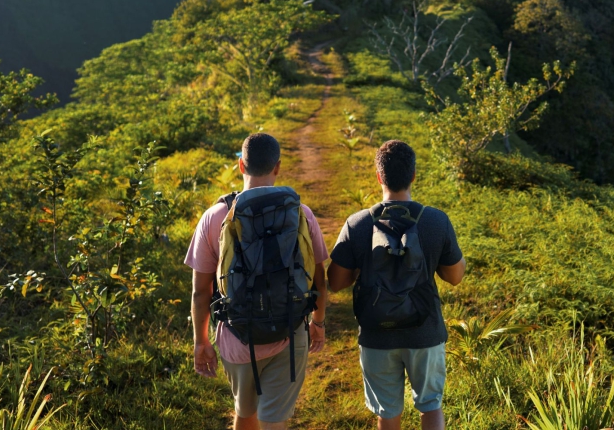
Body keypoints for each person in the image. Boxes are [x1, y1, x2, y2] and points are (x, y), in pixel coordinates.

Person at [185, 133, 329, 430]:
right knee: (272, 422)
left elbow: (201, 293)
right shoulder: (301, 214)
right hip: (290, 333)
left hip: (237, 338)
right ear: (277, 167)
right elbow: (320, 280)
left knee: (245, 412)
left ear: (241, 165)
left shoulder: (215, 217)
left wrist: (201, 342)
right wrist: (318, 322)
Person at [328, 140, 466, 430]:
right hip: (425, 331)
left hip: (377, 335)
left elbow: (336, 282)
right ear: (413, 175)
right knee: (430, 405)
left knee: (387, 411)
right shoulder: (436, 221)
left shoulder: (357, 224)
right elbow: (455, 277)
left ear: (378, 176)